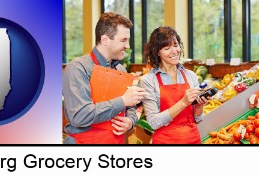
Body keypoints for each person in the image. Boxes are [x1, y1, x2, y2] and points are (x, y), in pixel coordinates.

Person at [62, 12, 146, 144]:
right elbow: (79, 116)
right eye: (123, 40)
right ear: (105, 40)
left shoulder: (120, 70)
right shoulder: (77, 68)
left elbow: (130, 107)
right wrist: (122, 101)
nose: (128, 46)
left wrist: (130, 122)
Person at [139, 26, 209, 144]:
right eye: (167, 48)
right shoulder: (148, 80)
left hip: (193, 139)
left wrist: (199, 106)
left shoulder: (190, 75)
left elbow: (197, 118)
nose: (174, 51)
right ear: (157, 52)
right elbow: (153, 122)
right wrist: (183, 102)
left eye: (176, 45)